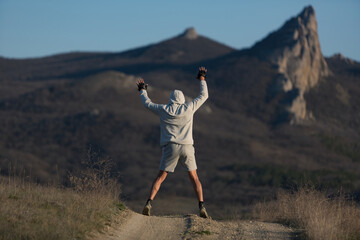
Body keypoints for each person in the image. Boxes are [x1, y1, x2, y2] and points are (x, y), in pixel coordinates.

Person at [136, 67, 209, 218]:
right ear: (182, 99)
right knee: (194, 178)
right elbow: (204, 95)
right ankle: (201, 206)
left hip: (170, 147)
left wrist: (142, 90)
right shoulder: (189, 108)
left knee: (161, 177)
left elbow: (147, 104)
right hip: (187, 147)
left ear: (171, 99)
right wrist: (202, 78)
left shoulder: (164, 109)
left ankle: (148, 203)